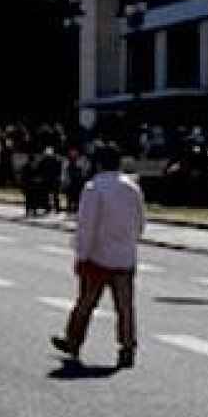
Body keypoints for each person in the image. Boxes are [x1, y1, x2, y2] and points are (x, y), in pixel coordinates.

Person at [50, 145, 144, 369]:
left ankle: (73, 341)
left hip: (98, 257)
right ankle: (127, 347)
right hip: (124, 257)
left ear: (98, 164)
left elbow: (86, 226)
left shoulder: (93, 188)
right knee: (125, 306)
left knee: (86, 302)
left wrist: (81, 255)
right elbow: (140, 223)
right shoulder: (132, 188)